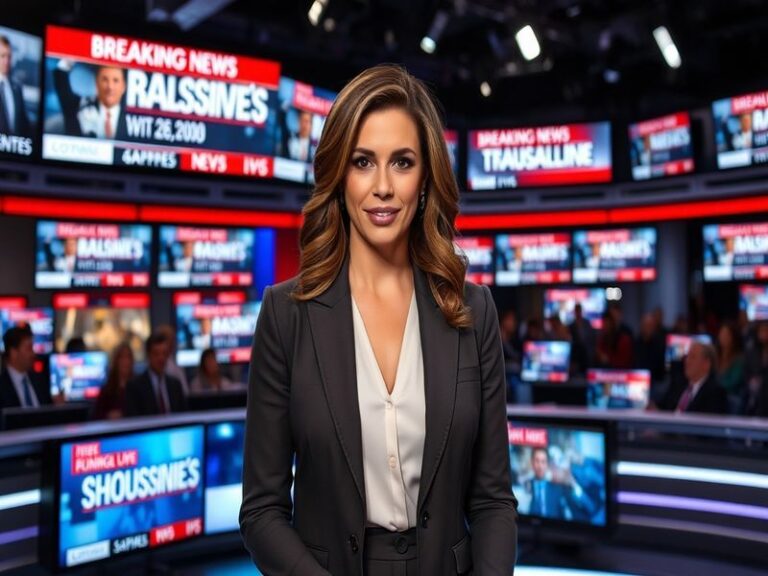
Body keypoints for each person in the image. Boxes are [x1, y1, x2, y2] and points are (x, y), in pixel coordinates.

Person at [240, 64, 517, 576]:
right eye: (363, 161)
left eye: (403, 162)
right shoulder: (286, 315)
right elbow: (262, 510)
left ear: (427, 177)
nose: (383, 186)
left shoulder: (473, 311)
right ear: (338, 174)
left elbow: (494, 500)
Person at [53, 59, 128, 139]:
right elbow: (62, 84)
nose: (110, 87)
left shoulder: (134, 116)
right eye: (105, 79)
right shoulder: (79, 107)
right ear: (96, 83)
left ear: (123, 86)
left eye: (115, 81)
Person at [124, 332, 186, 416]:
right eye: (156, 354)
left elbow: (184, 416)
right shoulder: (135, 387)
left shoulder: (175, 385)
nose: (161, 358)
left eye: (164, 353)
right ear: (148, 355)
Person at [661, 342, 727, 414]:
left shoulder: (715, 394)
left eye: (693, 357)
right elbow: (662, 409)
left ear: (706, 364)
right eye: (687, 356)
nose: (687, 361)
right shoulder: (678, 384)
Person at [0, 326, 52, 409]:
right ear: (13, 353)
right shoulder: (2, 386)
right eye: (29, 349)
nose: (33, 354)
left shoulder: (41, 380)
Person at [0, 36, 31, 137]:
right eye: (3, 56)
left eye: (9, 57)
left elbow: (24, 123)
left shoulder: (17, 88)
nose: (7, 61)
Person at [94, 342, 134, 420]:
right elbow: (96, 417)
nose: (125, 361)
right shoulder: (107, 390)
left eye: (128, 357)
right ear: (115, 361)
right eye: (121, 357)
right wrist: (108, 416)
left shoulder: (140, 387)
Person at [716, 321, 745, 403]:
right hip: (714, 395)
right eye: (721, 333)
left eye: (726, 334)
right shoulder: (715, 357)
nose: (722, 337)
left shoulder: (739, 360)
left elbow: (733, 383)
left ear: (733, 337)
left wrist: (714, 387)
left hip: (730, 398)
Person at [569, 303, 596, 376]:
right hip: (576, 356)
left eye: (579, 310)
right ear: (574, 312)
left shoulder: (587, 323)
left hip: (587, 354)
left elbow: (592, 338)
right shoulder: (571, 326)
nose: (578, 312)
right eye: (576, 311)